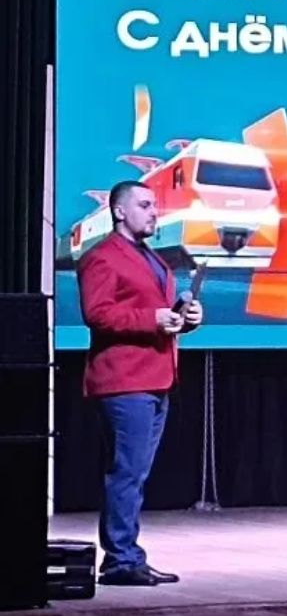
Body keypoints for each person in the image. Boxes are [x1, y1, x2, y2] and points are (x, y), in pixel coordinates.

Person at [77, 180, 204, 586]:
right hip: (123, 380)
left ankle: (127, 555)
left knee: (135, 473)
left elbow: (157, 313)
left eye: (154, 206)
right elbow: (98, 314)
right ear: (119, 211)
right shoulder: (102, 257)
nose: (154, 213)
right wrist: (153, 319)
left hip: (156, 376)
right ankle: (120, 560)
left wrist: (185, 318)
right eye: (145, 205)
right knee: (126, 473)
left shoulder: (152, 258)